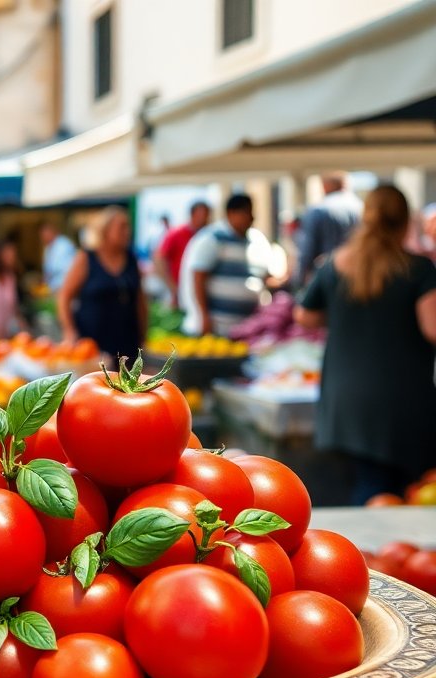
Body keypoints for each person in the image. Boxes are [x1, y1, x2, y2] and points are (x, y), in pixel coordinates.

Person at [295, 185, 436, 504]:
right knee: (403, 494)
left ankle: (373, 554)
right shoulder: (418, 269)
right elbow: (433, 328)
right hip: (403, 400)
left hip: (347, 400)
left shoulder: (334, 264)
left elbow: (304, 315)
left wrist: (344, 316)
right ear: (405, 222)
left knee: (369, 486)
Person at [180, 194, 276, 337]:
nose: (251, 217)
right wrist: (203, 317)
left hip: (248, 329)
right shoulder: (212, 238)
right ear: (231, 213)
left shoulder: (257, 240)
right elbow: (197, 278)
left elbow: (264, 276)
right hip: (216, 328)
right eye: (246, 212)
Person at [57, 206, 146, 363]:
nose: (127, 231)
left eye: (128, 226)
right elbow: (64, 296)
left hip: (127, 341)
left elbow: (139, 299)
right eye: (121, 227)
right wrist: (69, 331)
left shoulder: (131, 258)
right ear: (105, 230)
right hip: (93, 342)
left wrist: (143, 334)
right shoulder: (87, 257)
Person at [296, 172, 362, 286]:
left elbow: (307, 249)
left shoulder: (318, 210)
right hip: (356, 276)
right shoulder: (361, 208)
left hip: (325, 277)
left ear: (325, 186)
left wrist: (299, 279)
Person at [153, 202, 210, 306]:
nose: (204, 220)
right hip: (178, 292)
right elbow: (159, 258)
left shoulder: (206, 236)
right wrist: (172, 287)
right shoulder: (176, 233)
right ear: (192, 215)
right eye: (201, 216)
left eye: (206, 216)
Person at [41, 221, 79, 294]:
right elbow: (48, 270)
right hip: (53, 289)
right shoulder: (48, 248)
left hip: (65, 287)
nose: (43, 237)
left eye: (45, 233)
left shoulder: (64, 245)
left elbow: (70, 268)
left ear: (52, 232)